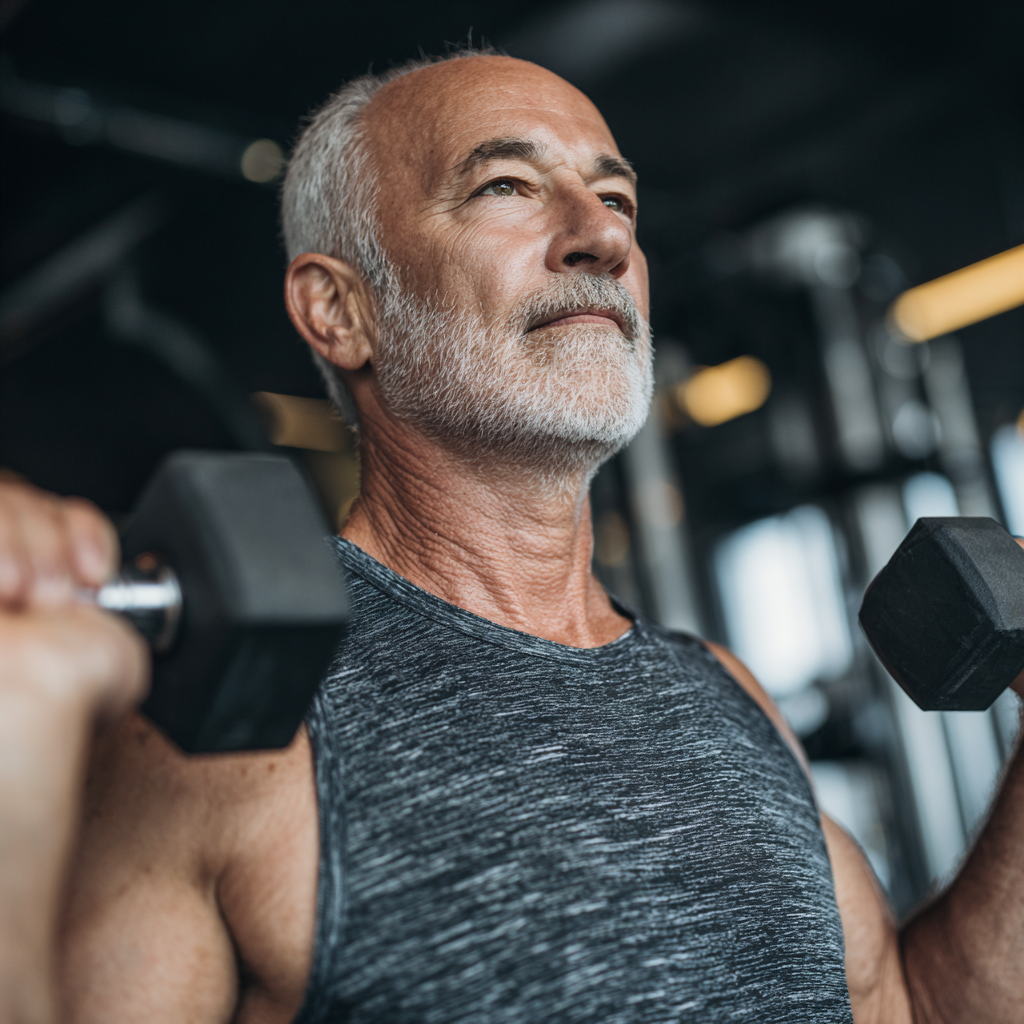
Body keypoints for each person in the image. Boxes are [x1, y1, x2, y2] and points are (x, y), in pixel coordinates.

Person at [1, 51, 1019, 1023]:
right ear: (340, 310)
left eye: (615, 199)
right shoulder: (222, 726)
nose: (602, 238)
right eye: (505, 187)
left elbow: (907, 1009)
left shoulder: (723, 693)